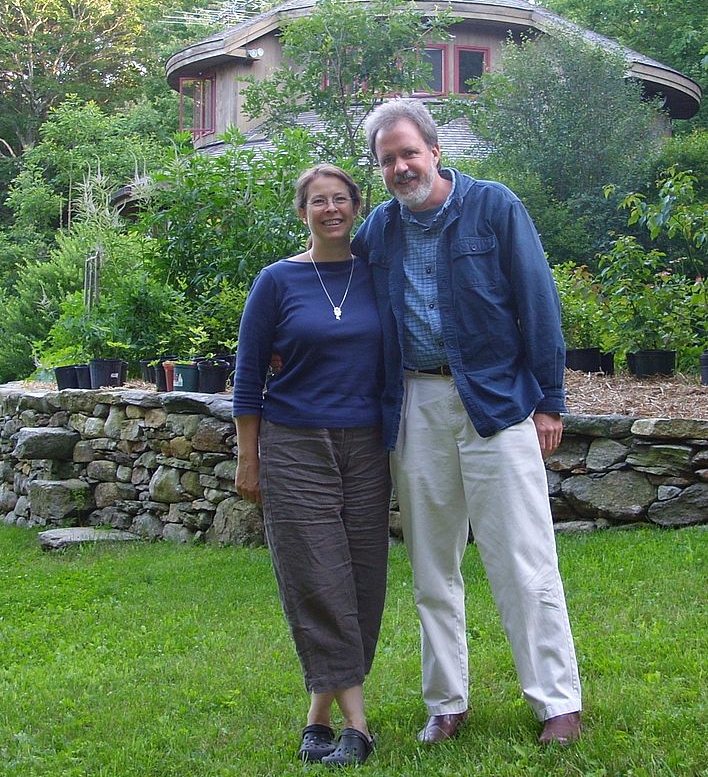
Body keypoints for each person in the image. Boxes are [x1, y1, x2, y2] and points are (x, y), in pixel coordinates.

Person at [351, 98, 582, 746]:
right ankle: (446, 702)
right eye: (388, 159)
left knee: (524, 559)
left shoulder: (493, 207)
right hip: (416, 406)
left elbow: (538, 302)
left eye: (409, 153)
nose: (401, 167)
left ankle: (557, 702)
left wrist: (549, 401)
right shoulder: (378, 232)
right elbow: (337, 293)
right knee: (432, 565)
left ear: (435, 151)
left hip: (497, 403)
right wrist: (287, 338)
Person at [233, 164, 390, 767]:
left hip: (368, 444)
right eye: (318, 201)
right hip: (295, 444)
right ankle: (357, 726)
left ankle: (317, 717)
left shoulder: (378, 275)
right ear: (303, 213)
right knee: (316, 578)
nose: (331, 209)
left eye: (340, 199)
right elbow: (248, 376)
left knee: (363, 579)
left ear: (356, 207)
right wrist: (248, 457)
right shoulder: (277, 281)